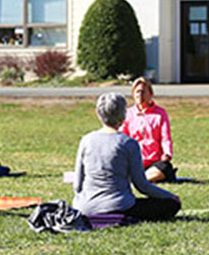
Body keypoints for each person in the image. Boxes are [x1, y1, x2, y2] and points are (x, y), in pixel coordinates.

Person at [73, 92, 181, 221]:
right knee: (170, 205)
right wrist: (170, 196)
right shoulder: (128, 143)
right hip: (118, 204)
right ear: (123, 115)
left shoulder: (86, 140)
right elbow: (142, 185)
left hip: (85, 207)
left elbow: (77, 185)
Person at [121, 77, 176, 182]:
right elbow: (122, 137)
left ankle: (139, 179)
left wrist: (167, 153)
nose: (140, 95)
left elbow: (165, 137)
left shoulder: (160, 114)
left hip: (154, 162)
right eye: (137, 92)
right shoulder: (128, 114)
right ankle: (140, 179)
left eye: (143, 92)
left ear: (150, 94)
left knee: (165, 167)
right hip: (135, 161)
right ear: (133, 95)